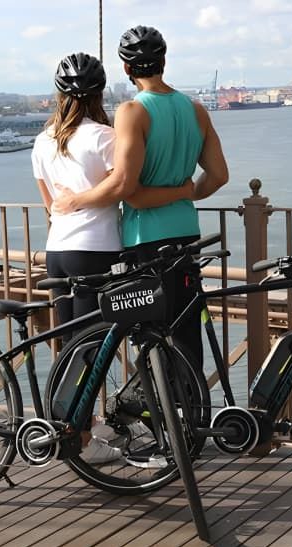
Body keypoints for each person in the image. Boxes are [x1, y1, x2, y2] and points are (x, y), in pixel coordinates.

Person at [31, 51, 194, 464]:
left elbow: (50, 203)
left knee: (70, 345)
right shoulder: (103, 137)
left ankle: (70, 427)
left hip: (57, 250)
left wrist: (71, 205)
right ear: (100, 93)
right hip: (96, 251)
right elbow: (124, 186)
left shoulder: (43, 140)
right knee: (93, 347)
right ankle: (81, 438)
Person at [52, 26, 229, 371]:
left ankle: (160, 404)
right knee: (186, 328)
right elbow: (219, 175)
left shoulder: (132, 111)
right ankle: (193, 402)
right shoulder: (196, 109)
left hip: (146, 240)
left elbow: (125, 187)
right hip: (186, 232)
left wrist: (76, 201)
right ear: (164, 61)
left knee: (153, 333)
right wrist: (186, 192)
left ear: (126, 68)